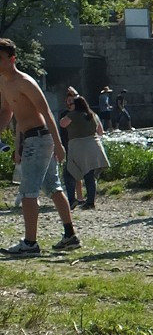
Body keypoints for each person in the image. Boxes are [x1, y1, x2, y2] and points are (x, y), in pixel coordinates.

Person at [0, 38, 81, 255]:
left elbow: (45, 113)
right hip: (29, 138)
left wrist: (58, 144)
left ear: (12, 59)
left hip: (39, 138)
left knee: (28, 191)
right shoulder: (3, 83)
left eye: (0, 59)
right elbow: (9, 113)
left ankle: (30, 243)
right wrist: (17, 145)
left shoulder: (25, 82)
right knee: (52, 187)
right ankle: (70, 235)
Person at [59, 95, 109, 210]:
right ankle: (90, 202)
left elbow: (62, 123)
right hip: (94, 145)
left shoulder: (72, 115)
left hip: (78, 146)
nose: (69, 106)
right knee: (90, 175)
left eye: (71, 104)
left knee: (68, 173)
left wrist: (69, 112)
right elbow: (101, 132)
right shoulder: (93, 115)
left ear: (76, 105)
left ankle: (71, 200)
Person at [57, 87, 83, 204]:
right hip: (67, 144)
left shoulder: (81, 113)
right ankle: (73, 198)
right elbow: (61, 130)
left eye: (72, 100)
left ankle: (80, 197)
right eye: (68, 100)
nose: (70, 102)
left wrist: (76, 94)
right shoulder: (64, 114)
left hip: (79, 144)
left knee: (79, 172)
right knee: (69, 172)